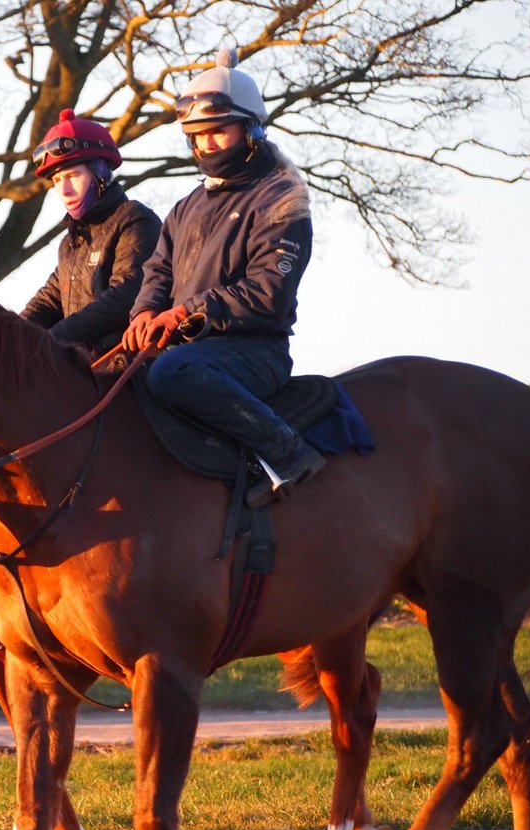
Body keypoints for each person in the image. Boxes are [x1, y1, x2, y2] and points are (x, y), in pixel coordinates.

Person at [122, 48, 323, 507]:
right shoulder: (185, 206)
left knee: (173, 370)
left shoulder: (281, 199)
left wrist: (187, 312)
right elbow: (158, 270)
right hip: (192, 345)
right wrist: (145, 311)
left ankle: (285, 453)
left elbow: (268, 292)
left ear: (250, 129)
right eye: (197, 135)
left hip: (254, 350)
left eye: (218, 131)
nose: (206, 143)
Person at [22, 110, 161, 357]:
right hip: (82, 366)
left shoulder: (135, 219)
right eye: (56, 181)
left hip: (126, 363)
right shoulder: (70, 243)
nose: (63, 189)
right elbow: (47, 302)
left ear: (101, 173)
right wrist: (7, 333)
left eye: (73, 176)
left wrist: (52, 341)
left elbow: (125, 295)